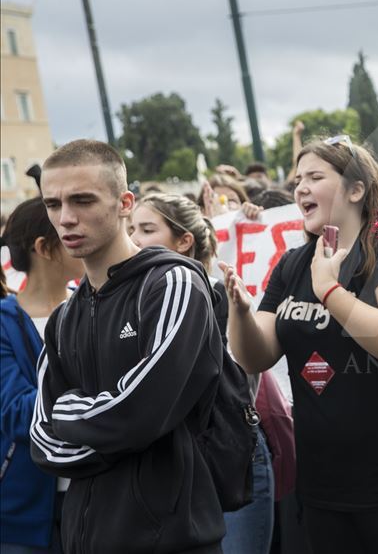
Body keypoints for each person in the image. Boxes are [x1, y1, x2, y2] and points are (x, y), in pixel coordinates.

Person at [219, 135, 378, 554]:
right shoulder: (293, 263)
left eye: (315, 177)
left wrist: (330, 292)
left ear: (356, 189)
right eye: (298, 178)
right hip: (323, 489)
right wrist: (240, 311)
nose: (300, 187)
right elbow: (256, 356)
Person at [29, 140, 226, 553]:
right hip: (87, 539)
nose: (65, 218)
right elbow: (43, 442)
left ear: (125, 202)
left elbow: (141, 413)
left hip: (170, 540)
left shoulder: (173, 284)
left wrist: (76, 412)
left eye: (82, 200)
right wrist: (121, 431)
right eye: (53, 204)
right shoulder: (65, 316)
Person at [129, 193, 275, 554]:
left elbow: (239, 382)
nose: (133, 239)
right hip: (170, 465)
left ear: (184, 241)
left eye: (147, 229)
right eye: (130, 228)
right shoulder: (135, 301)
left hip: (225, 453)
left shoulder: (218, 295)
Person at [1, 198, 84, 553]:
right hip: (25, 515)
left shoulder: (95, 305)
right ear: (44, 248)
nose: (82, 235)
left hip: (100, 499)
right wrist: (98, 394)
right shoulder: (5, 322)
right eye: (67, 231)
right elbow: (17, 413)